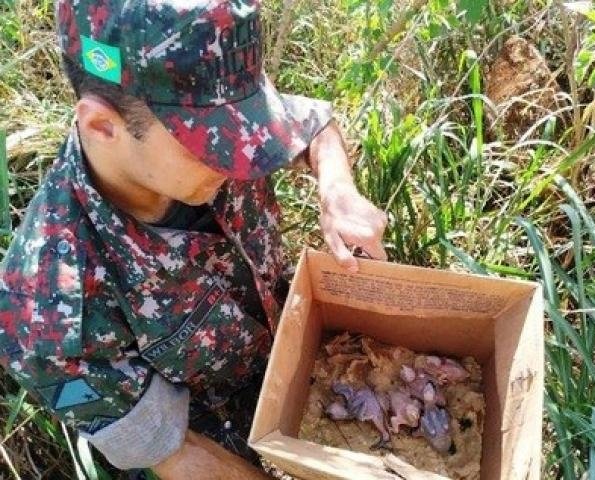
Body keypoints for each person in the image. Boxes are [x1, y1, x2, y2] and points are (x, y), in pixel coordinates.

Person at [0, 0, 387, 479]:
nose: (243, 158)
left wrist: (338, 190)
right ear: (102, 126)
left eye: (244, 123)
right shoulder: (47, 312)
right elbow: (176, 451)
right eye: (212, 141)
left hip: (299, 350)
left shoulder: (212, 110)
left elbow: (312, 127)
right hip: (229, 443)